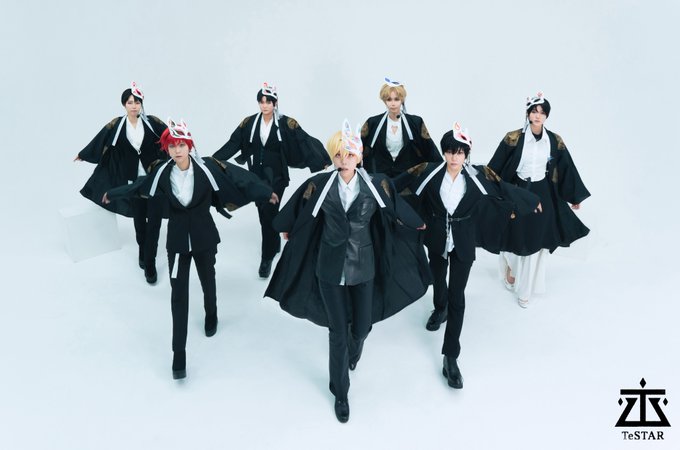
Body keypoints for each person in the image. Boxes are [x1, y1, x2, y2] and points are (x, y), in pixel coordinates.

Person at [265, 120, 430, 423]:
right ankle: (340, 391)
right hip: (328, 267)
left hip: (363, 265)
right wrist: (290, 228)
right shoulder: (319, 185)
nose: (344, 159)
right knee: (338, 332)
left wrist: (417, 223)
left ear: (359, 156)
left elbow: (394, 206)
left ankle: (352, 353)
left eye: (350, 154)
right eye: (339, 154)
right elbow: (300, 208)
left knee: (362, 327)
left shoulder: (376, 184)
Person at [105, 119, 278, 380]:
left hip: (203, 238)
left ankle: (212, 314)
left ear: (189, 146)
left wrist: (265, 192)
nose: (176, 150)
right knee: (178, 296)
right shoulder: (162, 173)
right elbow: (139, 186)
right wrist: (114, 193)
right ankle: (178, 355)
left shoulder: (207, 168)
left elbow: (238, 176)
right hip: (177, 243)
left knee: (208, 281)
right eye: (172, 146)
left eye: (181, 145)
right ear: (167, 149)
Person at [398, 123, 540, 389]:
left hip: (463, 241)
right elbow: (398, 184)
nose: (454, 157)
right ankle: (439, 308)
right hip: (437, 237)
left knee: (458, 295)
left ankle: (450, 356)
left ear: (466, 154)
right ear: (444, 152)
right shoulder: (428, 171)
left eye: (460, 152)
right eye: (450, 152)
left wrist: (529, 201)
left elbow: (502, 188)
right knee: (438, 279)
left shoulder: (477, 175)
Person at [213, 82, 330, 278]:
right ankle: (274, 244)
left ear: (275, 103)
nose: (265, 105)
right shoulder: (249, 123)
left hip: (277, 176)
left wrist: (321, 160)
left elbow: (304, 140)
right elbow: (233, 142)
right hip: (256, 175)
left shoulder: (286, 123)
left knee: (268, 211)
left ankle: (266, 257)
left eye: (268, 102)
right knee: (264, 212)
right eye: (261, 101)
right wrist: (214, 160)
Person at [487, 92, 590, 308]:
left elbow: (566, 167)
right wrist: (490, 190)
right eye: (534, 111)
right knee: (514, 233)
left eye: (542, 113)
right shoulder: (513, 138)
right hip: (518, 189)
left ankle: (525, 291)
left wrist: (574, 196)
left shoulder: (554, 140)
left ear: (547, 116)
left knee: (537, 241)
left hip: (542, 191)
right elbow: (496, 165)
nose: (538, 116)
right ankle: (511, 265)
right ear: (528, 113)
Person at [75, 82, 167, 284]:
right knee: (139, 220)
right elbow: (101, 138)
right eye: (130, 102)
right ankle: (142, 249)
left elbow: (170, 136)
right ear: (124, 104)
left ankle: (150, 263)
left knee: (154, 222)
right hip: (132, 181)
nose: (134, 106)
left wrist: (186, 147)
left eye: (137, 102)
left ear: (141, 104)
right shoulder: (117, 125)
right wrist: (84, 154)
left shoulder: (152, 122)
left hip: (154, 179)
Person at [360, 77, 441, 178]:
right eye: (389, 99)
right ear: (384, 101)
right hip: (380, 177)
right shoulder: (373, 123)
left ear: (402, 100)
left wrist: (441, 169)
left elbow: (430, 149)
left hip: (407, 178)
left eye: (396, 99)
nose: (393, 103)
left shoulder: (415, 122)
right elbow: (357, 147)